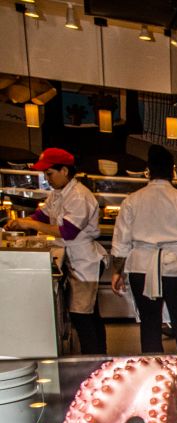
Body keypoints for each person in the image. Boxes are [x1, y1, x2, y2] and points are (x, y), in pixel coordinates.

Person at [110, 145, 177, 353]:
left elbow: (121, 241)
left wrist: (117, 271)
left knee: (149, 326)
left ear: (148, 170)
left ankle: (154, 377)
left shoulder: (132, 200)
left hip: (141, 268)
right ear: (172, 171)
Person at [5, 148, 107, 354]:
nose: (47, 178)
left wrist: (28, 225)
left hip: (86, 261)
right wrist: (21, 222)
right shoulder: (58, 194)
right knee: (88, 314)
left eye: (49, 173)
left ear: (64, 171)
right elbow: (42, 216)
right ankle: (99, 358)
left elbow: (67, 231)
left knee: (82, 315)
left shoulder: (79, 196)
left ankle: (93, 360)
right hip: (75, 259)